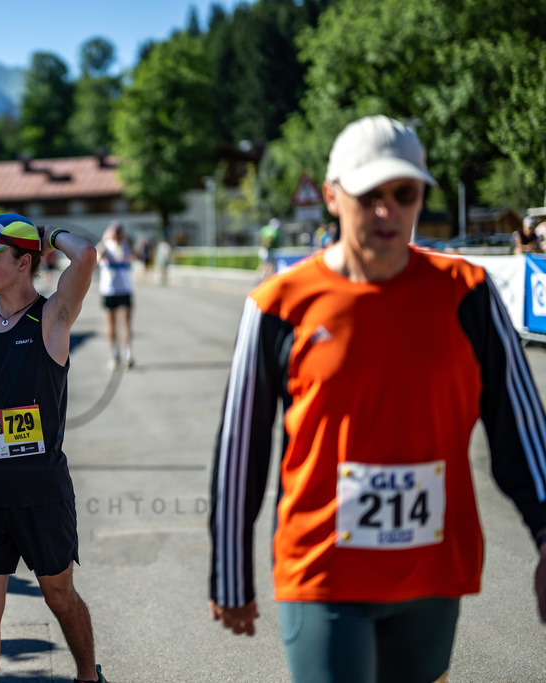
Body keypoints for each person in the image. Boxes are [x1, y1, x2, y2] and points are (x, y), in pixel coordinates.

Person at [209, 115, 546, 682]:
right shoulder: (277, 304)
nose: (388, 210)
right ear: (333, 195)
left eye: (404, 193)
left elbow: (521, 428)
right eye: (370, 194)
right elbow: (240, 448)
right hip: (322, 571)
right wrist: (229, 573)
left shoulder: (468, 294)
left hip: (432, 571)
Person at [0, 213, 106, 683]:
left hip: (42, 493)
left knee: (59, 595)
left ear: (23, 261)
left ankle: (86, 676)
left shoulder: (52, 317)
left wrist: (48, 232)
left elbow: (87, 254)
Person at [96, 221, 135, 370]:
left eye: (120, 231)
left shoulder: (126, 245)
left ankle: (127, 355)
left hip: (125, 290)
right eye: (115, 231)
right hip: (109, 290)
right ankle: (113, 355)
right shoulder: (105, 245)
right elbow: (97, 260)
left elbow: (135, 256)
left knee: (126, 323)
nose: (118, 234)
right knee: (110, 324)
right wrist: (104, 242)